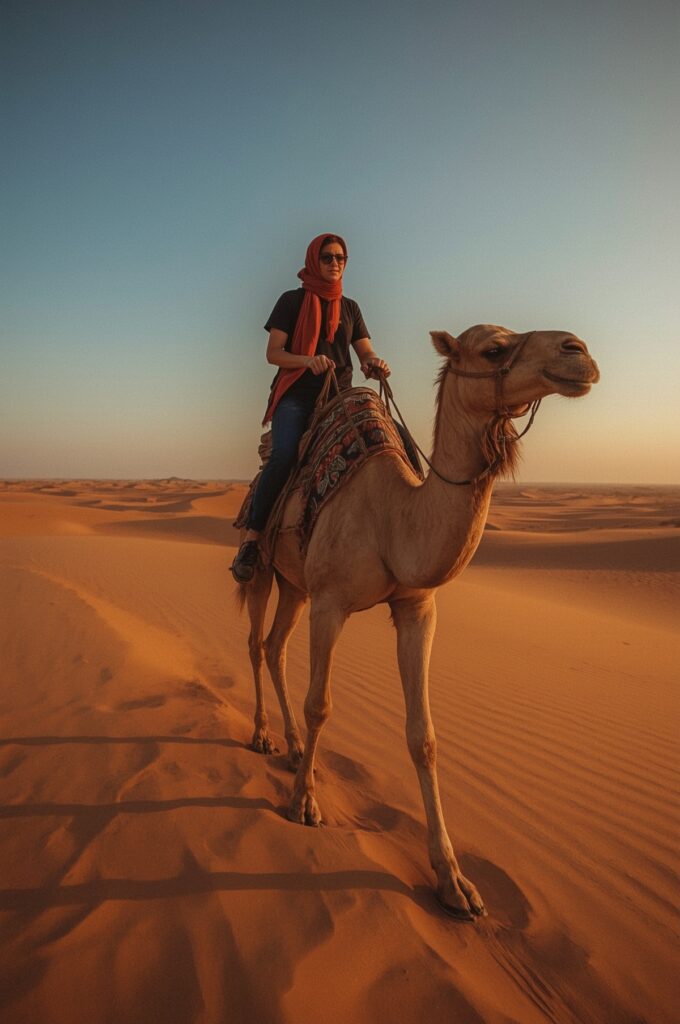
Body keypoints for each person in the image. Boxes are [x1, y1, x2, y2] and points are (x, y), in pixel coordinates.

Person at [231, 232, 390, 583]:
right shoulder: (290, 301)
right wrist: (307, 361)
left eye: (341, 258)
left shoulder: (351, 307)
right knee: (285, 454)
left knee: (391, 445)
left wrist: (375, 364)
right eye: (328, 257)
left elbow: (364, 353)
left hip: (340, 395)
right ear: (313, 260)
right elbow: (273, 353)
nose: (335, 263)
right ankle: (254, 539)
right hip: (297, 396)